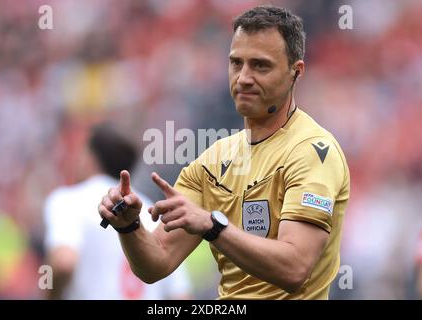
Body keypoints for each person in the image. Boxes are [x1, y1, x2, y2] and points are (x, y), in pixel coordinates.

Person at [98, 5, 350, 299]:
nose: (243, 77)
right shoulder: (212, 161)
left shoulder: (313, 152)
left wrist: (213, 225)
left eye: (260, 65)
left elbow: (294, 269)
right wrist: (130, 228)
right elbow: (156, 263)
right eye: (236, 63)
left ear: (296, 72)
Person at [44, 121, 191, 299]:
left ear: (90, 159)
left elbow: (63, 263)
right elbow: (180, 295)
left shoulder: (67, 201)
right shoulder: (152, 211)